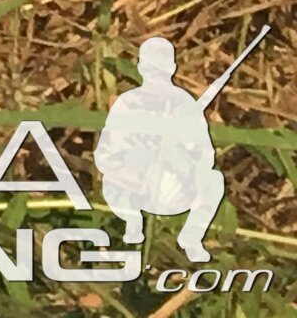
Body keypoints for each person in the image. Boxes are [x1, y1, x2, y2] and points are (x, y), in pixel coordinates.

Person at [98, 36, 230, 262]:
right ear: (141, 68)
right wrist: (139, 164)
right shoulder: (128, 103)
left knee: (214, 180)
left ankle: (191, 237)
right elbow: (106, 155)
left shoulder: (185, 105)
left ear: (172, 68)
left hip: (176, 189)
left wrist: (182, 153)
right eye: (151, 67)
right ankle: (132, 223)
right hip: (134, 190)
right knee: (111, 181)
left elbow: (206, 154)